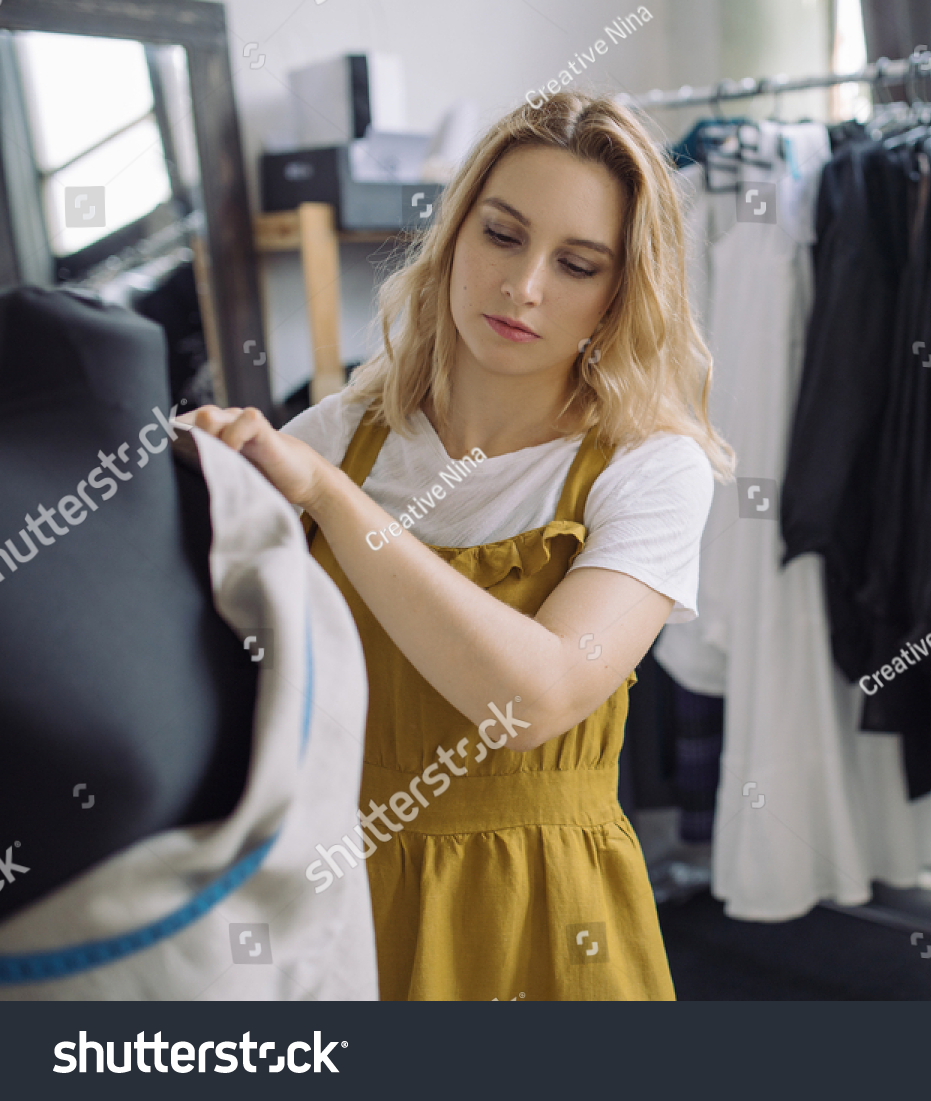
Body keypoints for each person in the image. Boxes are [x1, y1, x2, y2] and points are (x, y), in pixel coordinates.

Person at [183, 90, 729, 1000]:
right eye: (503, 236)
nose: (524, 287)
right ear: (455, 234)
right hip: (337, 896)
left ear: (622, 291)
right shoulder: (345, 430)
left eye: (578, 263)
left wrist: (329, 499)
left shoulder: (653, 469)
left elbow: (536, 697)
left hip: (541, 916)